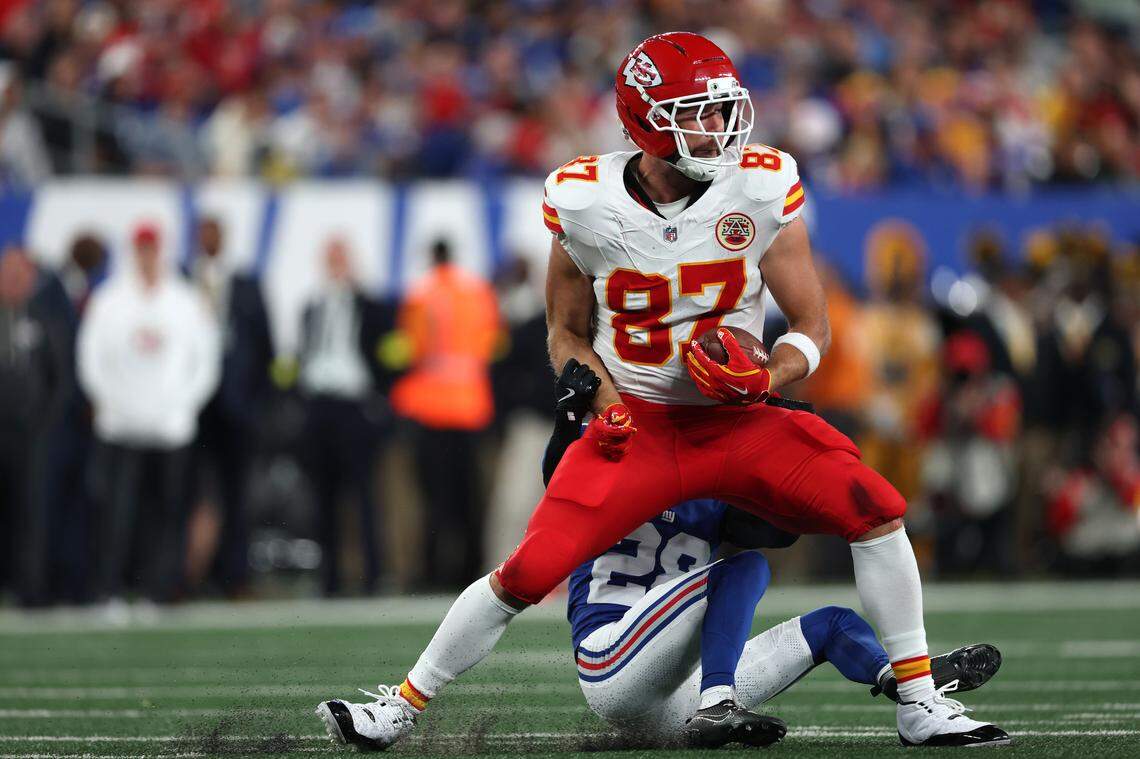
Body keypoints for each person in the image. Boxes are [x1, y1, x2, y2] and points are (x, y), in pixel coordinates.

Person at [316, 32, 1008, 749]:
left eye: (723, 110)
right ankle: (396, 708)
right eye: (699, 113)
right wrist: (601, 396)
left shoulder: (762, 185)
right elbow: (566, 331)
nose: (721, 129)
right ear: (647, 120)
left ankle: (920, 702)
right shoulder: (584, 201)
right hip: (638, 425)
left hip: (737, 418)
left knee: (876, 506)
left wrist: (768, 375)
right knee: (526, 570)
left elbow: (812, 325)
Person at [545, 361, 1001, 747]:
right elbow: (558, 478)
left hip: (680, 692)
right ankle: (719, 701)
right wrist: (567, 422)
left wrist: (783, 457)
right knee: (741, 569)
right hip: (611, 659)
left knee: (834, 624)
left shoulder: (711, 475)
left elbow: (778, 530)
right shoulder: (611, 453)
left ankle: (900, 683)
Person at [78, 222, 220, 606]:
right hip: (120, 426)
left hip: (171, 426)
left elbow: (205, 361)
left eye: (152, 249)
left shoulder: (185, 300)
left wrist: (182, 406)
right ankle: (109, 589)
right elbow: (91, 361)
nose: (147, 257)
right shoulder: (109, 300)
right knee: (116, 513)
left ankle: (159, 591)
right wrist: (113, 403)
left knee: (168, 513)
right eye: (141, 249)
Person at [390, 239, 502, 588]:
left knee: (432, 499)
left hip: (429, 410)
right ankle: (469, 572)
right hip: (471, 408)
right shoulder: (478, 291)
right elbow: (494, 345)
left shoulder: (420, 294)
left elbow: (408, 348)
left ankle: (432, 573)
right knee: (469, 498)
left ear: (431, 257)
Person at [297, 237, 394, 596]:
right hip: (320, 405)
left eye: (341, 258)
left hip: (354, 406)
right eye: (331, 258)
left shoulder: (367, 304)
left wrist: (380, 401)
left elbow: (387, 351)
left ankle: (372, 575)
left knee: (364, 494)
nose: (336, 265)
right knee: (323, 496)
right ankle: (329, 579)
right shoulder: (312, 306)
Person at [185, 216, 274, 596]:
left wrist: (256, 402)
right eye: (203, 231)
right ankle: (187, 575)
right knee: (186, 494)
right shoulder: (181, 280)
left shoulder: (246, 283)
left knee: (237, 494)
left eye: (214, 230)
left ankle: (234, 576)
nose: (208, 237)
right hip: (190, 407)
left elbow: (264, 345)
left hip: (236, 407)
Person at [0, 244, 75, 605]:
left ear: (31, 277)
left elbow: (62, 378)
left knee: (33, 513)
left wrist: (46, 424)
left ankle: (31, 587)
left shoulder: (48, 317)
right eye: (7, 272)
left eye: (20, 272)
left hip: (34, 435)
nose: (13, 279)